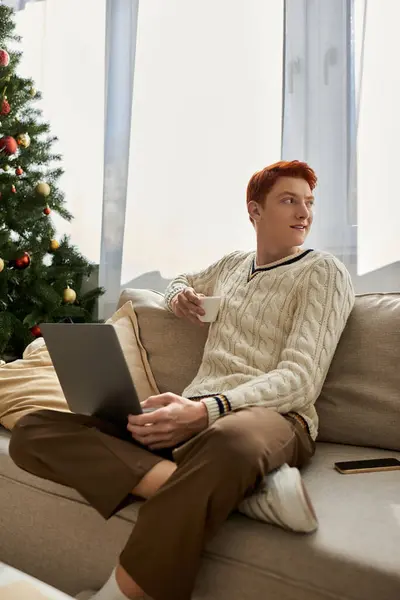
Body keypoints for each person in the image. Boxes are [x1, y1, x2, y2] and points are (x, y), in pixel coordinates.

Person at [9, 160, 355, 600]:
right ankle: (243, 497)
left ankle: (117, 594)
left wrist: (207, 409)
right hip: (195, 414)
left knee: (228, 442)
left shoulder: (322, 272)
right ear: (255, 211)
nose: (304, 212)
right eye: (289, 200)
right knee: (34, 430)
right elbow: (183, 279)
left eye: (308, 202)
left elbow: (300, 378)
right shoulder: (233, 264)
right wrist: (178, 295)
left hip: (271, 417)